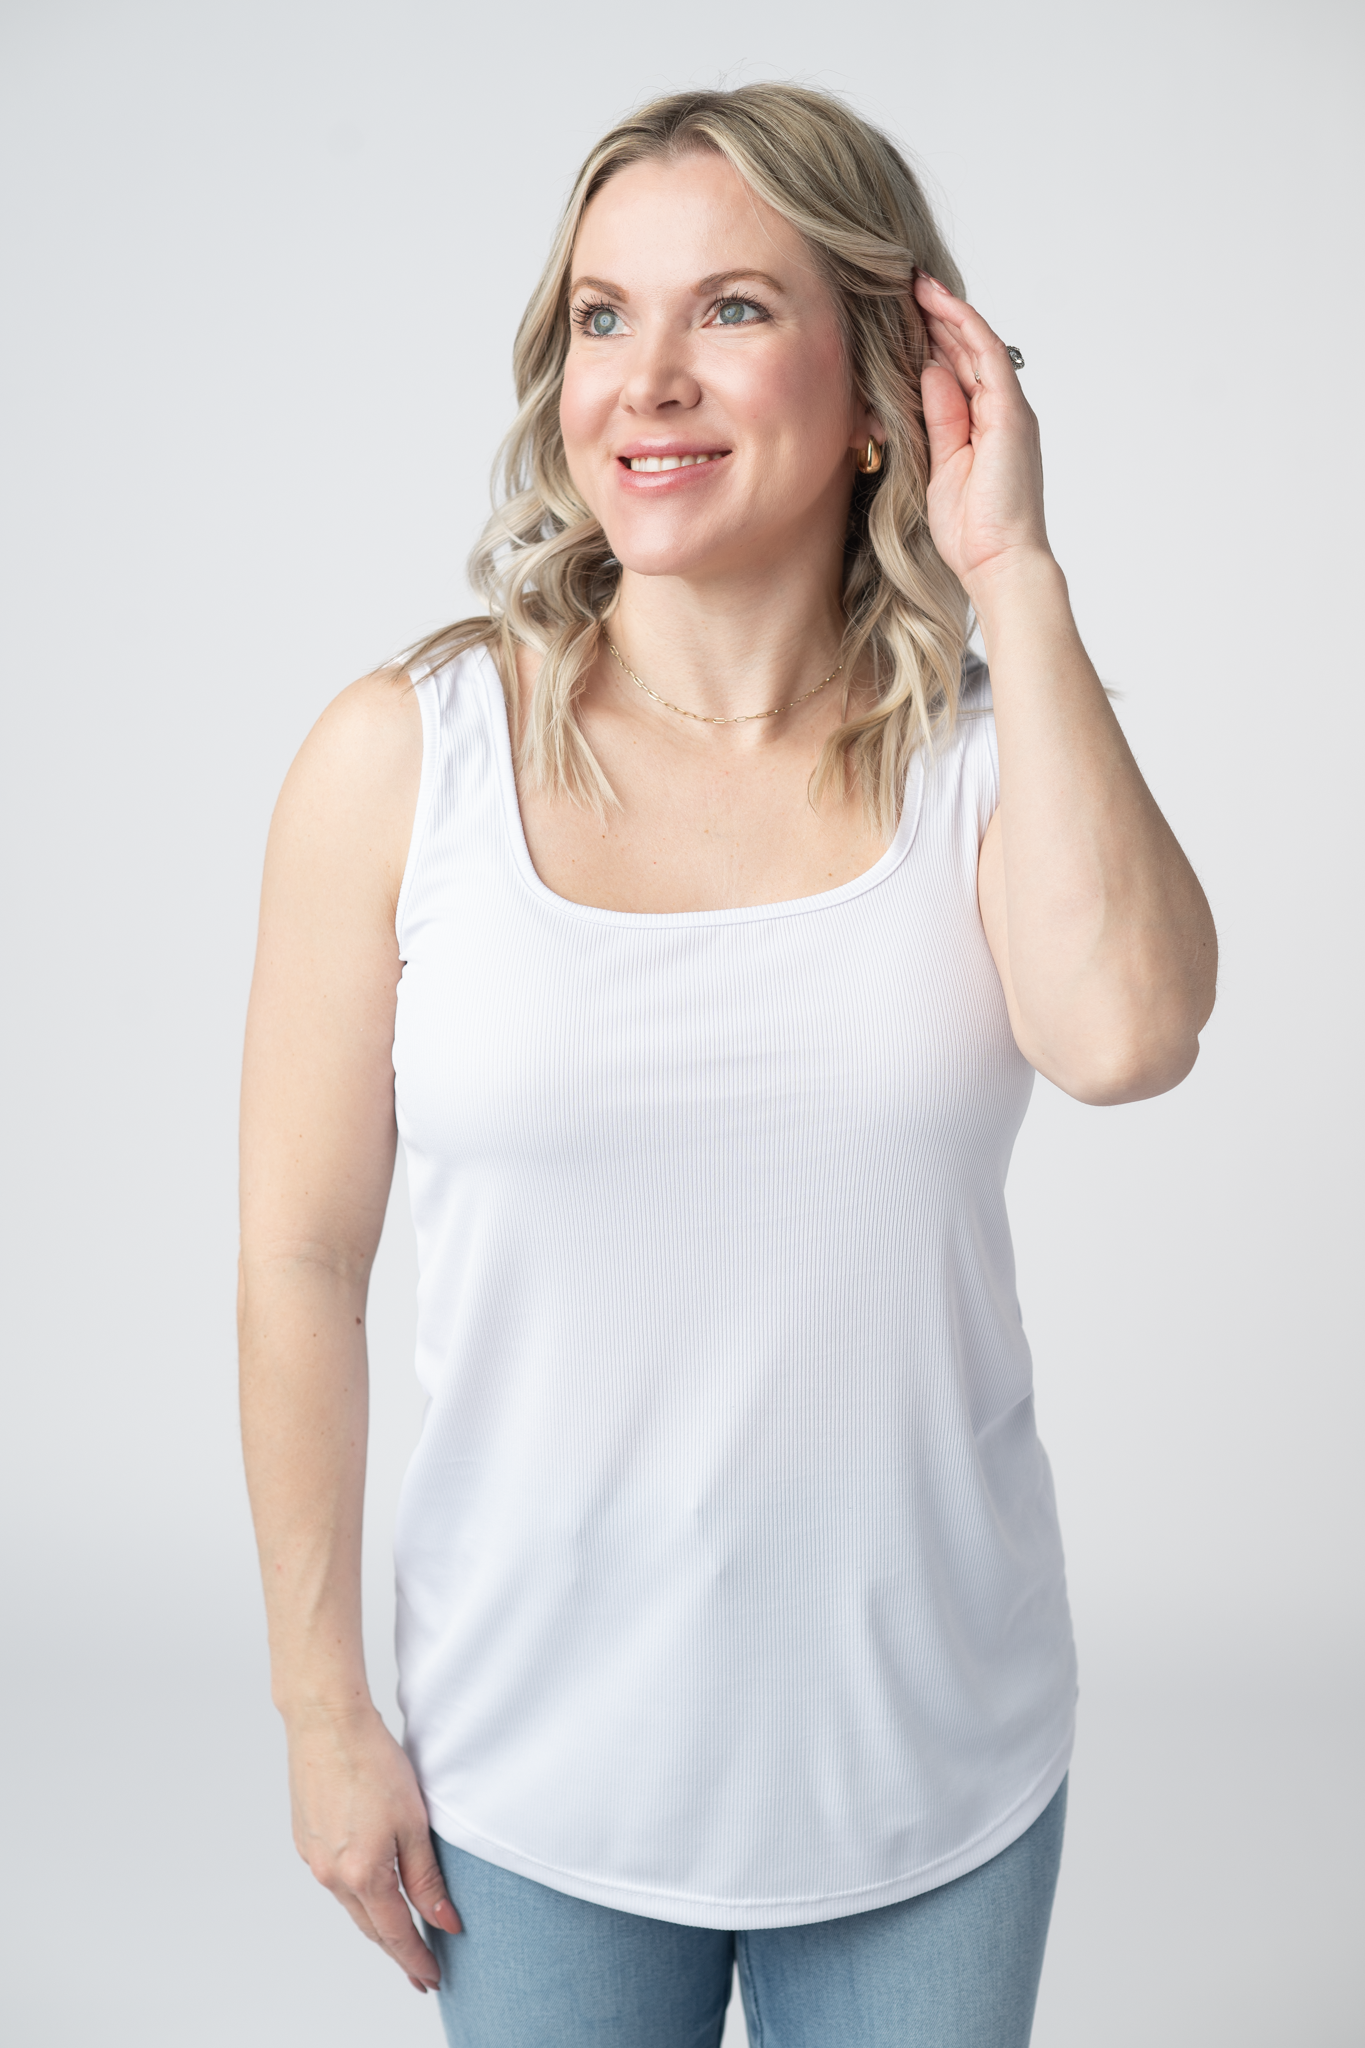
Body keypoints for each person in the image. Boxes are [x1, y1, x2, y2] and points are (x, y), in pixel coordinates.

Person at [238, 83, 1216, 2048]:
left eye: (733, 311)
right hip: (534, 1781)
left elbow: (1123, 1035)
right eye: (603, 317)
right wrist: (325, 1706)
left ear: (885, 380)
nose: (646, 380)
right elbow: (301, 1260)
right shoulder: (401, 757)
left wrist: (1011, 565)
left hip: (932, 1761)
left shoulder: (993, 746)